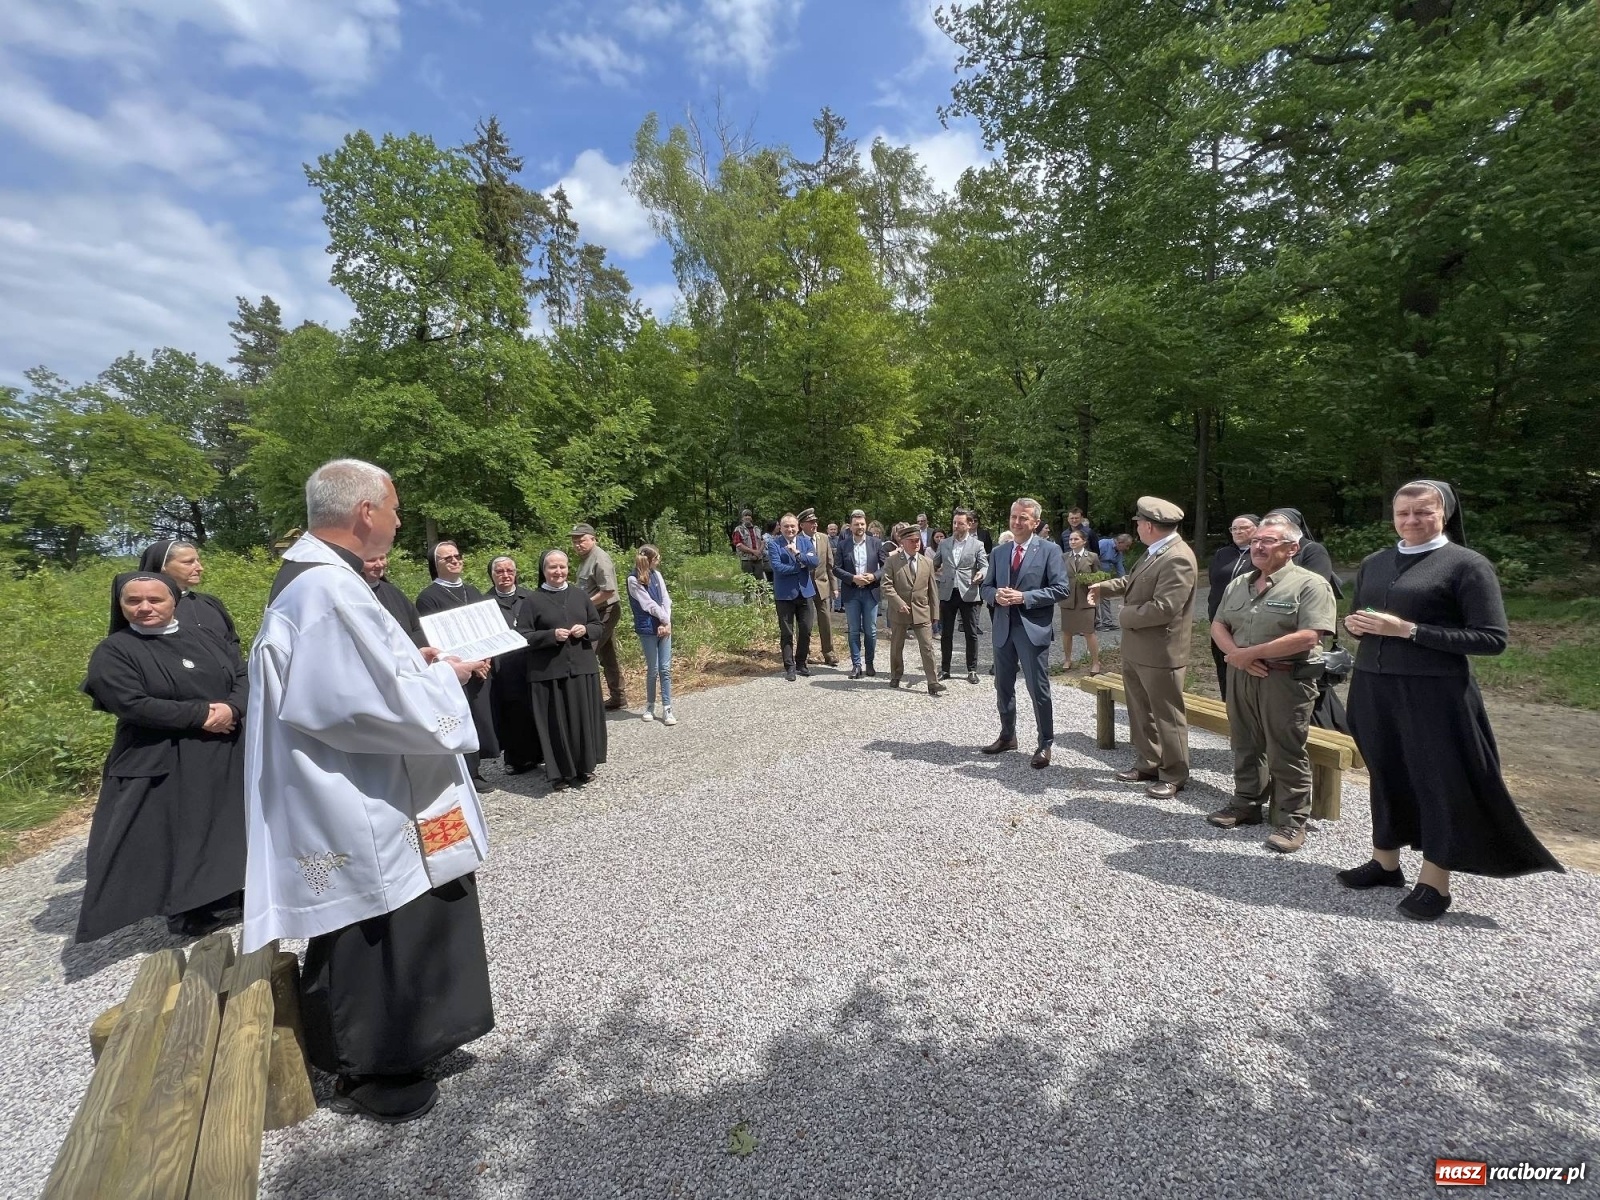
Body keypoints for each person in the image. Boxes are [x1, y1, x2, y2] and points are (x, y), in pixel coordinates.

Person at [245, 458, 493, 1124]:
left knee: (413, 916)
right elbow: (356, 707)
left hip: (379, 785)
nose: (398, 519)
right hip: (360, 796)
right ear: (364, 512)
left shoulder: (324, 582)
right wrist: (452, 681)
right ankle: (374, 1068)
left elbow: (364, 679)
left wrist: (421, 665)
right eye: (395, 506)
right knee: (377, 926)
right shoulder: (324, 591)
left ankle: (415, 1042)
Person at [1337, 480, 1562, 920]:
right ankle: (1385, 863)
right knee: (1386, 772)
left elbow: (1491, 639)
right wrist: (1356, 626)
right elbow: (1367, 620)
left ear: (1445, 514)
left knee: (1436, 782)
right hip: (1373, 686)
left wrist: (1410, 631)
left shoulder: (1466, 565)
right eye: (1403, 513)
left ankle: (1434, 882)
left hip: (1434, 692)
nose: (1411, 520)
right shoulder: (1376, 562)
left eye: (1423, 512)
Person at [77, 572, 248, 942]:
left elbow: (241, 673)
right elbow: (130, 702)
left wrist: (234, 708)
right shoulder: (115, 650)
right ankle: (189, 909)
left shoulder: (204, 636)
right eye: (133, 601)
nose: (144, 608)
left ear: (173, 601)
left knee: (227, 825)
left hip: (225, 748)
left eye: (155, 600)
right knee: (180, 833)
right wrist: (201, 716)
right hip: (163, 753)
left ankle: (231, 891)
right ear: (121, 607)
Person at [1207, 514, 1337, 853]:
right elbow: (1218, 624)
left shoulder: (1309, 584)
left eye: (1267, 541)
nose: (1258, 546)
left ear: (1292, 547)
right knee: (1244, 741)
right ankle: (1246, 803)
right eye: (1254, 542)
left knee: (1285, 747)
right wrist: (1238, 655)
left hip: (1285, 679)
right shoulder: (1239, 583)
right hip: (1242, 675)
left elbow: (1310, 636)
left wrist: (1250, 654)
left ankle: (1292, 819)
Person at [1088, 498, 1197, 799]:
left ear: (1149, 526)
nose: (1135, 527)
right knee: (1139, 709)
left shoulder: (1178, 557)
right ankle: (1149, 762)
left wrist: (1123, 615)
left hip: (1161, 652)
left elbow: (1165, 608)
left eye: (1138, 523)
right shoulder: (1156, 551)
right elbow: (1135, 581)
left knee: (1166, 714)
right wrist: (1104, 587)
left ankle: (1174, 773)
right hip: (1139, 648)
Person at [980, 499, 1069, 767]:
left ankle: (1045, 743)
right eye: (1013, 517)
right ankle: (1008, 736)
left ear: (1035, 523)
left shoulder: (1050, 551)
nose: (1016, 522)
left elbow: (1061, 589)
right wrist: (995, 594)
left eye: (1023, 518)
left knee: (1037, 689)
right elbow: (985, 587)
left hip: (1032, 631)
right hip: (1003, 629)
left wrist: (1024, 597)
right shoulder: (999, 552)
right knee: (1003, 686)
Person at [524, 550, 608, 790]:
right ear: (543, 570)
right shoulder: (533, 600)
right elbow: (523, 635)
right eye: (552, 567)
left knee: (582, 721)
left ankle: (583, 767)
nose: (558, 572)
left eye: (562, 567)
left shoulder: (580, 596)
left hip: (581, 668)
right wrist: (550, 635)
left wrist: (586, 630)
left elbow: (598, 626)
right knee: (556, 724)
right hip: (549, 672)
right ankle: (559, 774)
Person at [417, 542, 497, 791]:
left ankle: (477, 767)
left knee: (480, 718)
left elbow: (487, 630)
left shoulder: (472, 590)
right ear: (435, 565)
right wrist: (468, 664)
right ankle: (468, 773)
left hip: (479, 666)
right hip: (455, 669)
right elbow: (435, 639)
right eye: (447, 558)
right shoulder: (428, 597)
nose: (454, 561)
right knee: (461, 718)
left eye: (457, 556)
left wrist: (485, 659)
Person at [138, 539, 241, 657]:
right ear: (162, 566)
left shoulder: (211, 602)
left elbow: (232, 643)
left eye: (198, 561)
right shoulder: (145, 609)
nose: (200, 568)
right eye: (189, 562)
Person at [486, 556, 542, 774]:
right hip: (505, 664)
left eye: (509, 570)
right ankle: (516, 759)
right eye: (499, 571)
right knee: (512, 711)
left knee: (536, 707)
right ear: (492, 575)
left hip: (531, 660)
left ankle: (541, 754)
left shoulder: (531, 597)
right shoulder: (485, 603)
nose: (505, 575)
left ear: (516, 573)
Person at [882, 523, 945, 695]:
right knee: (897, 646)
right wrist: (898, 602)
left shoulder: (927, 563)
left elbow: (933, 590)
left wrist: (935, 614)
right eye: (912, 541)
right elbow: (886, 585)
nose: (917, 544)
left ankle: (933, 682)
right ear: (903, 542)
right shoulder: (892, 561)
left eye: (918, 540)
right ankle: (896, 674)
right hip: (899, 612)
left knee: (927, 647)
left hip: (922, 611)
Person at [570, 523, 627, 710]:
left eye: (582, 540)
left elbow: (608, 591)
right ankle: (618, 697)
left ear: (593, 539)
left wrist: (583, 605)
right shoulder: (586, 558)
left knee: (586, 653)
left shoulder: (599, 558)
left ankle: (587, 701)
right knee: (607, 655)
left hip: (606, 610)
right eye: (575, 541)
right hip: (595, 612)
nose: (578, 544)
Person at [1207, 514, 1260, 699]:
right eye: (1234, 528)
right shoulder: (1223, 554)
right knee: (1223, 666)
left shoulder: (1260, 554)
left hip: (1247, 622)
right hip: (1219, 620)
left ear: (1258, 528)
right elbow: (1214, 582)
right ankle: (1227, 705)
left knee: (1246, 666)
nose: (1237, 531)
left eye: (1243, 527)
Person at [937, 507, 988, 685]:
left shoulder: (977, 545)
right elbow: (933, 564)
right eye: (954, 523)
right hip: (948, 592)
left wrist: (981, 574)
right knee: (946, 633)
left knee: (971, 633)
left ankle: (972, 669)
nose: (956, 526)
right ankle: (945, 669)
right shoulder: (944, 544)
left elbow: (985, 566)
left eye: (960, 523)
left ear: (969, 524)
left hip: (969, 592)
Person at [626, 544, 676, 725]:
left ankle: (667, 707)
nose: (659, 560)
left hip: (664, 626)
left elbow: (665, 599)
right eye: (656, 558)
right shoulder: (633, 580)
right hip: (648, 628)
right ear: (648, 560)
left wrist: (667, 622)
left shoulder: (658, 575)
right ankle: (650, 705)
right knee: (653, 669)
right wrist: (663, 620)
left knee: (665, 669)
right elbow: (648, 604)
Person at [767, 513, 819, 681]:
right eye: (786, 526)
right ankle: (789, 666)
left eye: (792, 526)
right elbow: (777, 568)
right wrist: (801, 567)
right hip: (784, 595)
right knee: (787, 632)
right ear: (780, 528)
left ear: (798, 527)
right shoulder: (774, 544)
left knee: (806, 630)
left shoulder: (805, 542)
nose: (790, 529)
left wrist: (798, 555)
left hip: (805, 593)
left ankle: (801, 663)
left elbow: (815, 562)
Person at [834, 510, 884, 679]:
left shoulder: (876, 543)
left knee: (871, 630)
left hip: (871, 592)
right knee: (854, 630)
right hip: (852, 593)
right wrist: (853, 578)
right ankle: (856, 665)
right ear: (851, 526)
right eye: (856, 524)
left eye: (862, 524)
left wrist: (874, 576)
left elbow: (886, 567)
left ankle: (869, 662)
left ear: (865, 524)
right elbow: (836, 569)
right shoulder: (843, 545)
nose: (860, 527)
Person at [1058, 529, 1103, 675]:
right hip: (1068, 599)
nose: (1072, 542)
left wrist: (1092, 584)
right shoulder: (1064, 557)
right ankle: (1067, 659)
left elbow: (1099, 576)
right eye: (1070, 539)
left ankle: (1095, 662)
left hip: (1086, 599)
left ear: (1084, 541)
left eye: (1075, 539)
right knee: (1067, 632)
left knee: (1089, 632)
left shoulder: (1092, 557)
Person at [799, 509, 839, 666]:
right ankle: (804, 653)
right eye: (811, 522)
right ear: (802, 525)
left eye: (815, 522)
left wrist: (834, 586)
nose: (814, 524)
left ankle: (829, 653)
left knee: (826, 620)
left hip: (822, 585)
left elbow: (830, 565)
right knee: (804, 621)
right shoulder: (797, 540)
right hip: (804, 586)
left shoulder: (823, 538)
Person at [363, 552, 426, 648]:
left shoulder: (393, 591)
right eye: (371, 560)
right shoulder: (353, 595)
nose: (380, 564)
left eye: (382, 558)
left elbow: (418, 626)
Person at [731, 510, 765, 579]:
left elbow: (762, 542)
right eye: (745, 515)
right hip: (746, 560)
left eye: (749, 515)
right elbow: (738, 544)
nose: (747, 517)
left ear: (751, 518)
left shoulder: (757, 529)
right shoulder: (738, 529)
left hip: (758, 559)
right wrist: (753, 551)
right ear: (742, 518)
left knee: (760, 582)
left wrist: (758, 552)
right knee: (748, 581)